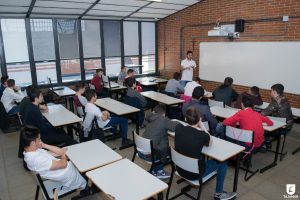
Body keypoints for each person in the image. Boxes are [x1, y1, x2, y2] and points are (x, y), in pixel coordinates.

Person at [175, 107, 236, 200]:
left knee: (197, 155)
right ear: (199, 119)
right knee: (223, 163)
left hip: (179, 169)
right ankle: (218, 194)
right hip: (194, 174)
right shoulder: (202, 135)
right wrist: (202, 125)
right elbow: (210, 141)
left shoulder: (178, 128)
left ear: (186, 118)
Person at [22, 125, 91, 197]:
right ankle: (86, 188)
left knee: (76, 161)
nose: (40, 140)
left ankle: (81, 175)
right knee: (81, 163)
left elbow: (54, 153)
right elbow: (63, 164)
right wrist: (63, 154)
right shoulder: (38, 159)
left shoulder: (30, 152)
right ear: (33, 143)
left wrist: (44, 145)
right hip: (67, 175)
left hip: (59, 171)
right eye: (39, 139)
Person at [142, 105, 179, 179]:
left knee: (159, 142)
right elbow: (175, 127)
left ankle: (155, 170)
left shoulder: (148, 117)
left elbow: (145, 124)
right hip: (151, 154)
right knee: (172, 151)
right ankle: (159, 172)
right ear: (164, 113)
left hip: (142, 150)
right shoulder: (163, 120)